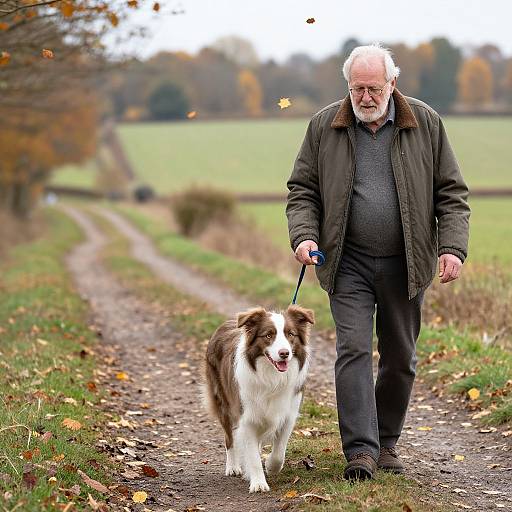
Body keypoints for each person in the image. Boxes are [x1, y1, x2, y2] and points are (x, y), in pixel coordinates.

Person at [286, 44, 470, 481]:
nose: (365, 97)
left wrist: (451, 247)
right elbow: (302, 191)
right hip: (346, 262)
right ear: (347, 86)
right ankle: (361, 452)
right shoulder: (323, 126)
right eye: (356, 88)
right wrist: (305, 235)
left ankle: (387, 442)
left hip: (407, 263)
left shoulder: (424, 122)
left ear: (392, 84)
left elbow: (452, 192)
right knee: (352, 349)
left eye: (373, 88)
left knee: (400, 357)